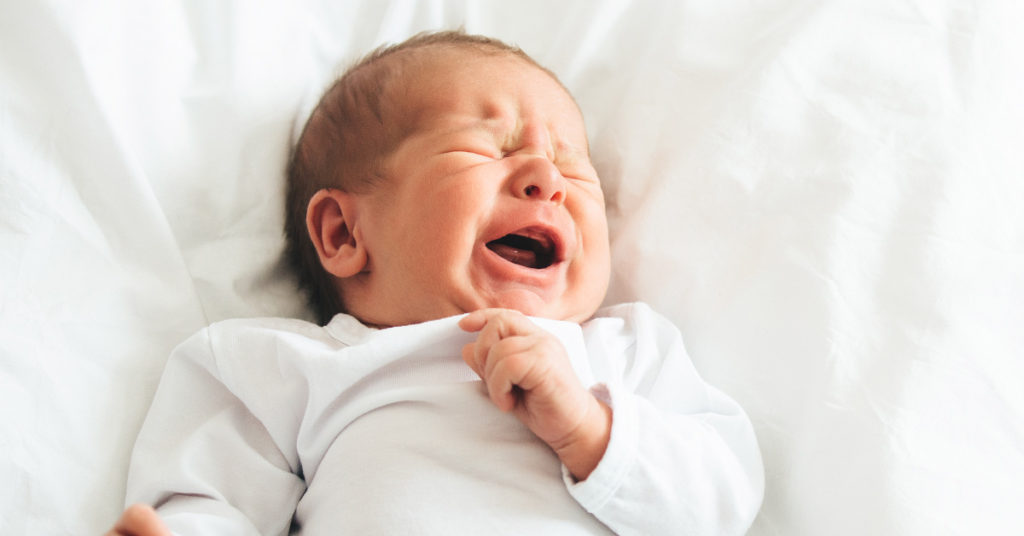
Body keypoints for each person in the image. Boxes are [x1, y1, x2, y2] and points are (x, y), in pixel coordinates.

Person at [108, 31, 764, 535]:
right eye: (493, 147)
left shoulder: (626, 353)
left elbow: (722, 499)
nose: (548, 180)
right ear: (342, 233)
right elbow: (209, 497)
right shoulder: (284, 366)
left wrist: (591, 432)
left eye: (573, 165)